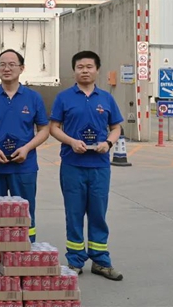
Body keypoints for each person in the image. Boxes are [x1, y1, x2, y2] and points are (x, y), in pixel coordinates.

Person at [49, 50, 124, 281]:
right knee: (74, 213)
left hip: (99, 166)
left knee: (98, 213)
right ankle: (75, 260)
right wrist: (71, 142)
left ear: (97, 70)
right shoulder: (64, 98)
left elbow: (116, 127)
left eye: (89, 67)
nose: (85, 71)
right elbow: (54, 127)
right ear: (74, 70)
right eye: (80, 67)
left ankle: (101, 261)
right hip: (72, 165)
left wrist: (108, 143)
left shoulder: (106, 98)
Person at [0, 49, 49, 264]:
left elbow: (44, 129)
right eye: (2, 64)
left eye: (12, 64)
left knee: (25, 211)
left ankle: (25, 251)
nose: (6, 68)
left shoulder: (33, 98)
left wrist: (27, 149)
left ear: (21, 68)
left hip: (24, 166)